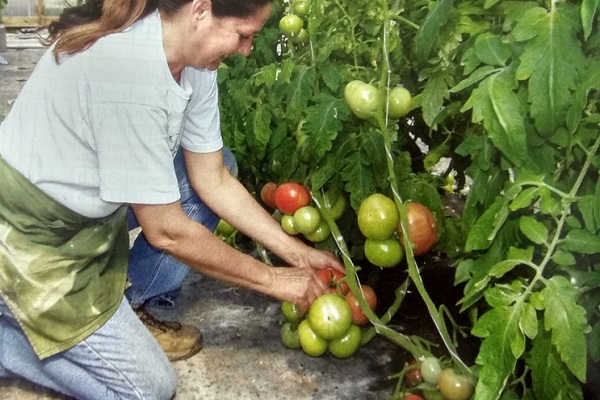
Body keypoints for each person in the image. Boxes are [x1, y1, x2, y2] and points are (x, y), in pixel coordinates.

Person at [0, 0, 344, 398]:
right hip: (28, 237)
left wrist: (295, 253)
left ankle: (124, 306)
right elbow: (166, 231)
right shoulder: (128, 71)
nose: (247, 49)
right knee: (148, 389)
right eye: (243, 35)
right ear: (200, 10)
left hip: (84, 215)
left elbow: (211, 178)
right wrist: (273, 279)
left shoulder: (192, 61)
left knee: (221, 165)